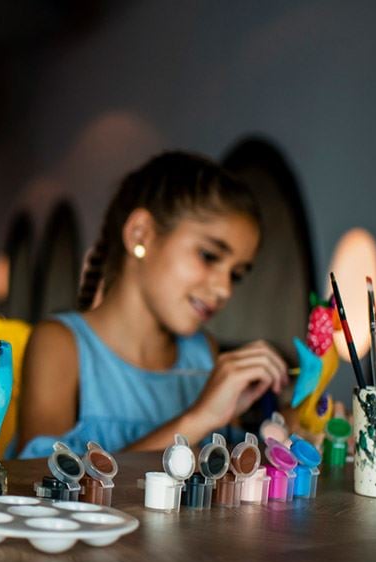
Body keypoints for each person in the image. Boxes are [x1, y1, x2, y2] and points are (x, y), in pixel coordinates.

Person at [18, 151, 289, 457]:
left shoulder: (204, 353)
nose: (225, 289)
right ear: (140, 234)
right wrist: (197, 419)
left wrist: (286, 434)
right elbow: (41, 489)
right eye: (209, 256)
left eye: (236, 275)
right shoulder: (59, 345)